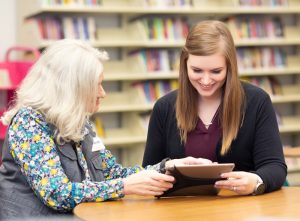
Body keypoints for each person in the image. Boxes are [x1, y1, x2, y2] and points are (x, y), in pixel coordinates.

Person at [0, 39, 208, 219]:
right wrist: (124, 186)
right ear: (72, 88)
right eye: (96, 85)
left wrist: (168, 167)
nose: (103, 93)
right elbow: (56, 193)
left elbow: (112, 174)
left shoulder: (79, 123)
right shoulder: (29, 123)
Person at [142, 20, 287, 195]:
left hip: (240, 209)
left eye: (216, 71)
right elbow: (148, 172)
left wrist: (256, 181)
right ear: (184, 65)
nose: (205, 80)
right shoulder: (164, 107)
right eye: (196, 70)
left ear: (229, 67)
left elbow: (275, 167)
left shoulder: (257, 101)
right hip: (180, 211)